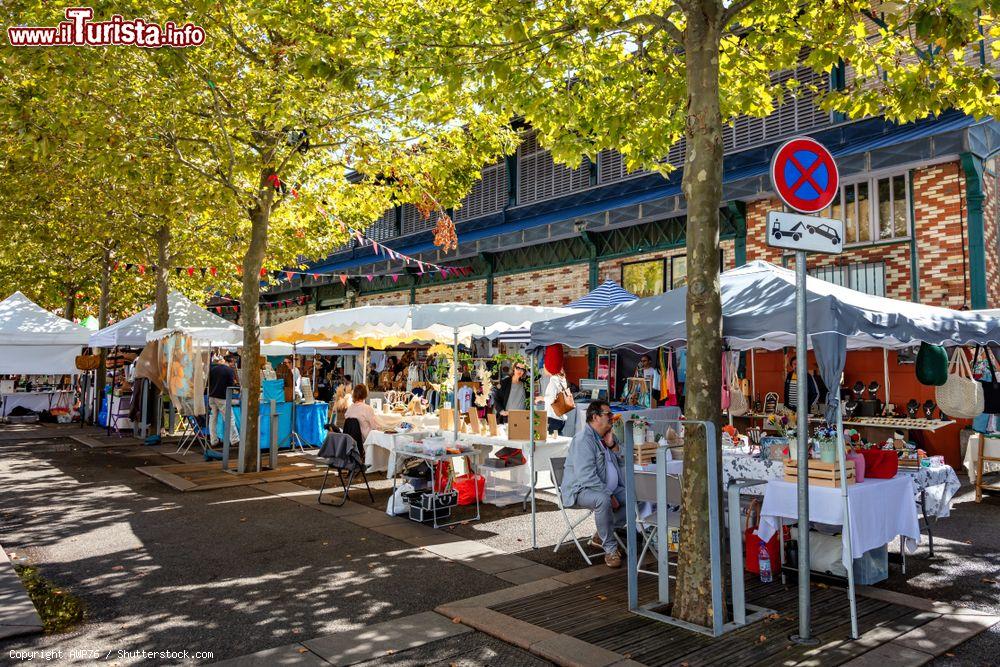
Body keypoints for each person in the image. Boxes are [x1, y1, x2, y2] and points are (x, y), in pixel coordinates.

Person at [561, 400, 626, 568]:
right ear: (595, 417)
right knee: (602, 500)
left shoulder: (608, 436)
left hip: (607, 488)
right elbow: (586, 476)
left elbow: (624, 460)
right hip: (581, 490)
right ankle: (610, 549)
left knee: (634, 496)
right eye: (608, 415)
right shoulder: (584, 439)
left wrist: (613, 445)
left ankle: (602, 534)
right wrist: (609, 494)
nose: (612, 418)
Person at [207, 354, 238, 447]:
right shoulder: (229, 371)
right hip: (222, 397)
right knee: (229, 418)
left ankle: (213, 440)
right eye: (233, 362)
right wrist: (236, 385)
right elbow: (231, 386)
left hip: (212, 396)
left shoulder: (212, 369)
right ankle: (235, 439)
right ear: (230, 362)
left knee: (213, 419)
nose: (234, 364)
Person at [541, 368, 570, 435]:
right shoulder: (562, 379)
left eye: (544, 366)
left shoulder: (553, 379)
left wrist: (541, 398)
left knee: (551, 442)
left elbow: (552, 399)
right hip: (560, 418)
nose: (543, 369)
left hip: (552, 418)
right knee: (558, 441)